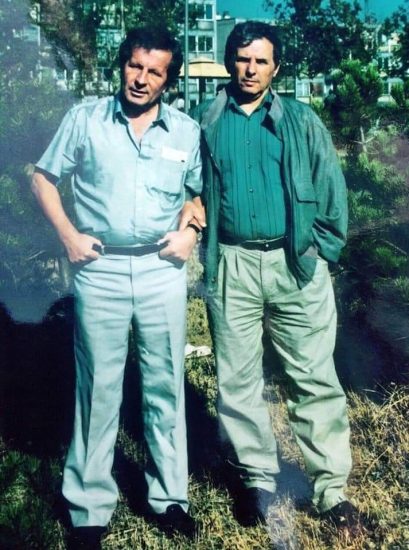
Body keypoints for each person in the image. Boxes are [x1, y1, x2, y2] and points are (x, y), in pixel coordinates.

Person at [32, 27, 203, 549]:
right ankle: (88, 508)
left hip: (161, 271)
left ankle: (169, 499)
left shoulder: (185, 131)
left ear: (168, 80)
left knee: (164, 384)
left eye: (154, 72)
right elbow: (43, 177)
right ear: (122, 65)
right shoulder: (85, 120)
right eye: (134, 66)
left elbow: (197, 195)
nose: (141, 79)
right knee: (98, 389)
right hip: (101, 271)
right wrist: (68, 236)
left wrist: (191, 233)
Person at [189, 21, 363, 534]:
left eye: (261, 61)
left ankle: (331, 491)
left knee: (313, 377)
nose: (250, 69)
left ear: (276, 68)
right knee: (237, 380)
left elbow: (331, 190)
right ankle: (258, 480)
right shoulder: (205, 121)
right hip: (233, 263)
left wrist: (319, 253)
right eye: (243, 59)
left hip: (295, 262)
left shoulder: (301, 120)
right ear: (230, 62)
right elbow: (187, 187)